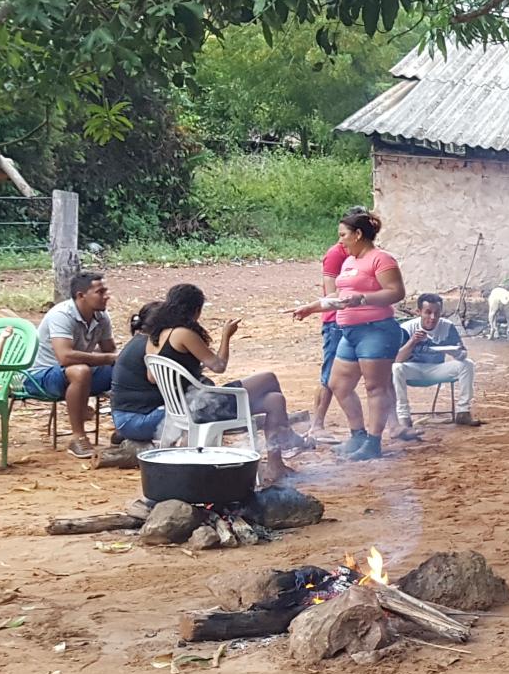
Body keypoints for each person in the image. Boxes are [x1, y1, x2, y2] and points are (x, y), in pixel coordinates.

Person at [146, 283, 300, 481]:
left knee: (275, 400)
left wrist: (188, 372)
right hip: (202, 407)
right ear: (195, 310)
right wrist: (226, 336)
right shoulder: (183, 333)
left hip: (182, 407)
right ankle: (286, 434)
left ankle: (276, 465)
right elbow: (218, 366)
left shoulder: (155, 336)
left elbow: (152, 377)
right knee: (269, 378)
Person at [291, 210, 406, 460]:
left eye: (343, 235)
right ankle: (358, 435)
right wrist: (312, 307)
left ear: (358, 234)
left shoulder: (381, 260)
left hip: (376, 330)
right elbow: (339, 296)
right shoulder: (349, 262)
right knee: (338, 384)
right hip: (350, 332)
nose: (340, 240)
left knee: (375, 387)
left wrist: (363, 298)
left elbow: (396, 292)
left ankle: (374, 443)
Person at [22, 272, 116, 457]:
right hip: (42, 376)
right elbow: (65, 357)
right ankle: (78, 438)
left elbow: (110, 350)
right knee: (80, 371)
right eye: (100, 291)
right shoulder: (62, 314)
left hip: (81, 373)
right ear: (81, 295)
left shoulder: (102, 316)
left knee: (125, 369)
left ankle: (124, 432)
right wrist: (107, 359)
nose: (107, 295)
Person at [304, 204, 366, 447]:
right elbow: (331, 295)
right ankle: (316, 425)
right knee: (331, 374)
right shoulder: (336, 254)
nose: (342, 240)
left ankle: (392, 424)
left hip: (358, 321)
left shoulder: (365, 254)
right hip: (337, 322)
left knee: (374, 374)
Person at [392, 293, 481, 438]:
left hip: (436, 368)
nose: (432, 317)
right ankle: (404, 417)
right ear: (419, 312)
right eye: (428, 312)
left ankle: (463, 412)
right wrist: (413, 341)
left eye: (436, 313)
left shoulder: (447, 326)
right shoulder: (407, 328)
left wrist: (456, 352)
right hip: (413, 368)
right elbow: (397, 359)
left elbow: (462, 353)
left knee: (467, 364)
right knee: (396, 368)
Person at [108, 303, 165, 443]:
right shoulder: (151, 345)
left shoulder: (138, 341)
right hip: (136, 422)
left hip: (125, 420)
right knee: (196, 409)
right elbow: (155, 379)